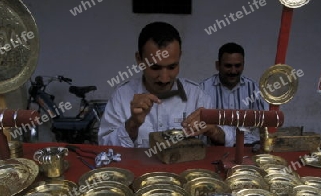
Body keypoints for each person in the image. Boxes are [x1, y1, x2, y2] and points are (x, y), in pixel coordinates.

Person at [98, 22, 232, 147]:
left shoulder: (197, 95)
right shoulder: (122, 96)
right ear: (139, 60)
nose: (164, 78)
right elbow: (105, 146)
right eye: (155, 68)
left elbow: (229, 139)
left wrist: (213, 131)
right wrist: (132, 124)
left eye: (172, 67)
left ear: (179, 56)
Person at [200, 42, 268, 147]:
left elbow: (266, 122)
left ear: (243, 65)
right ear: (217, 65)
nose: (233, 71)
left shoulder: (254, 89)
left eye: (237, 66)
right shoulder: (203, 89)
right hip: (215, 147)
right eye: (228, 66)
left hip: (248, 146)